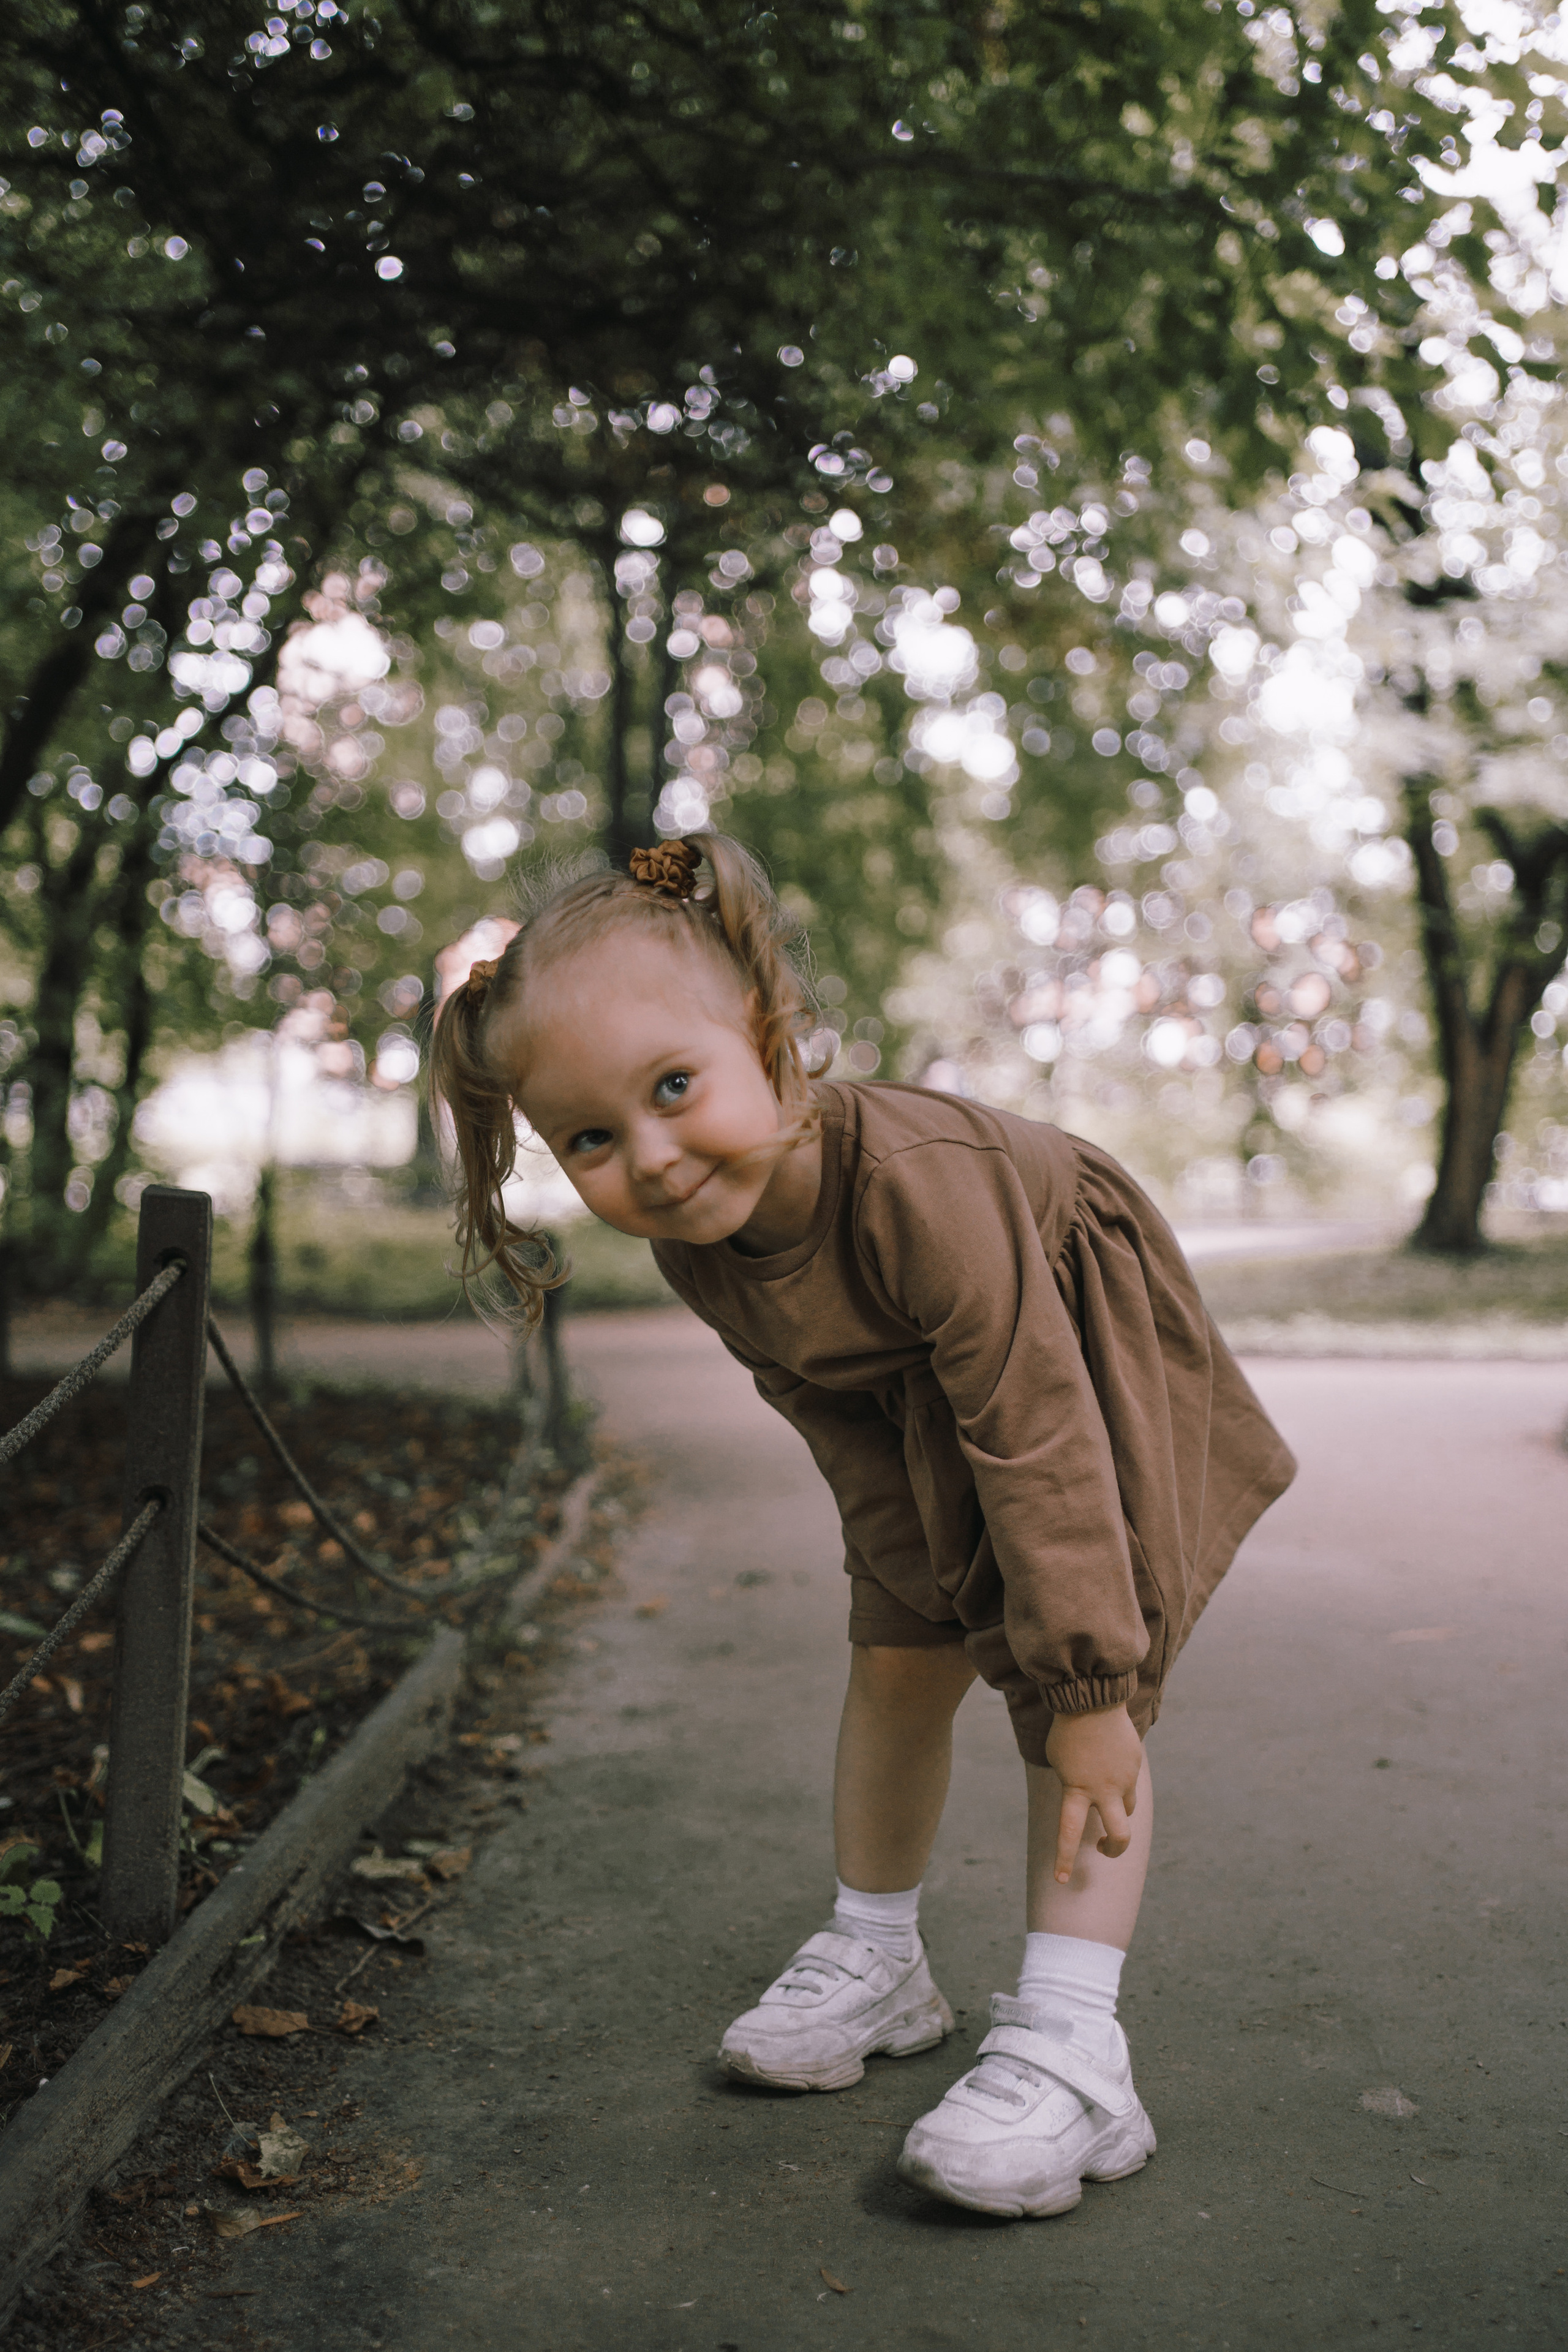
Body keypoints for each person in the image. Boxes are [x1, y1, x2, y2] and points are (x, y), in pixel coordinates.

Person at [429, 832, 1296, 2222]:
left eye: (671, 1088)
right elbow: (821, 1401)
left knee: (1072, 1692)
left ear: (770, 1035)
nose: (647, 1158)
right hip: (915, 1402)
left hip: (1063, 1335)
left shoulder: (916, 1188)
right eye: (591, 1138)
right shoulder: (696, 1238)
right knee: (897, 1650)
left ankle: (1078, 2044)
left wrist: (1081, 1676)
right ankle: (879, 1956)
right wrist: (903, 1573)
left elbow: (1035, 1429)